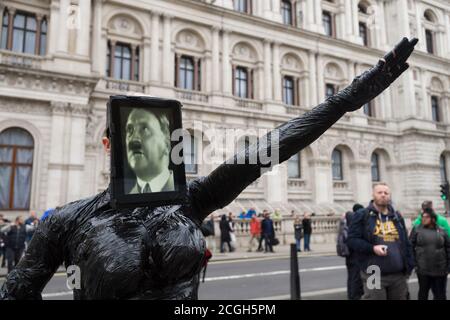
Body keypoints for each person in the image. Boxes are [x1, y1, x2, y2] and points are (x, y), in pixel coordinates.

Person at [0, 38, 418, 299]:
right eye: (133, 132)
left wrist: (347, 100)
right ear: (108, 143)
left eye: (157, 133)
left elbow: (272, 148)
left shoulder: (191, 200)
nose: (144, 143)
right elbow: (17, 291)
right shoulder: (68, 221)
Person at [347, 182, 414, 300]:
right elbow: (352, 240)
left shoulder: (397, 217)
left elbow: (406, 243)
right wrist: (372, 248)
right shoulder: (362, 215)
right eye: (379, 192)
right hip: (373, 273)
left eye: (386, 193)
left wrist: (409, 265)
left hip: (398, 275)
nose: (383, 195)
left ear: (389, 196)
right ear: (373, 195)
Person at [126, 108, 175, 194]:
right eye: (130, 130)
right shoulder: (126, 197)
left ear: (167, 144)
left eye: (145, 129)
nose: (133, 140)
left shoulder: (186, 194)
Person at [410, 207, 450, 300]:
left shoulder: (442, 231)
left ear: (433, 218)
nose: (423, 219)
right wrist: (415, 264)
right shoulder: (417, 230)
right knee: (423, 294)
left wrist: (448, 266)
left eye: (426, 217)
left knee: (440, 295)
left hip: (440, 270)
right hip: (423, 269)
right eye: (422, 217)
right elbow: (410, 247)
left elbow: (448, 248)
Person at [337, 211, 363, 300]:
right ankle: (354, 296)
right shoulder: (351, 229)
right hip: (354, 256)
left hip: (348, 256)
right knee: (355, 278)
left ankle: (351, 294)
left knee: (350, 277)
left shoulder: (343, 228)